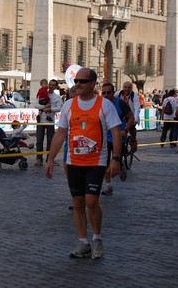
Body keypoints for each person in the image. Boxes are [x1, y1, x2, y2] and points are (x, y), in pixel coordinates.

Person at [45, 68, 122, 259]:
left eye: (83, 81)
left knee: (91, 201)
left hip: (97, 161)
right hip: (74, 161)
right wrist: (50, 159)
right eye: (76, 81)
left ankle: (97, 239)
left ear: (93, 83)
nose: (78, 84)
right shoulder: (69, 105)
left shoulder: (105, 105)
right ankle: (83, 242)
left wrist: (116, 158)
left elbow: (116, 132)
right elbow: (60, 133)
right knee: (78, 202)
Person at [101, 83, 135, 195]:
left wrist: (125, 130)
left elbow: (131, 117)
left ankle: (121, 167)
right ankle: (108, 185)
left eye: (108, 92)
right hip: (105, 137)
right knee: (105, 163)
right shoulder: (100, 104)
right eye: (103, 93)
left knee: (116, 163)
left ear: (113, 92)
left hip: (118, 137)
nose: (106, 95)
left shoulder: (120, 103)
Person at [35, 79, 62, 166]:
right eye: (50, 84)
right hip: (41, 120)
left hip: (50, 121)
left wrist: (50, 109)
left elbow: (59, 108)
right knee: (39, 140)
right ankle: (39, 159)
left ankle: (49, 159)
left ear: (55, 87)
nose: (50, 86)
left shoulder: (57, 97)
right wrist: (45, 107)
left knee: (50, 141)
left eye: (53, 85)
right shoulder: (42, 92)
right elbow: (36, 105)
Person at [117, 81, 141, 153]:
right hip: (121, 116)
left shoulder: (134, 96)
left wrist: (135, 120)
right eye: (125, 87)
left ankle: (133, 140)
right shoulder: (118, 94)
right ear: (123, 87)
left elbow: (137, 108)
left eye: (129, 88)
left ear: (131, 89)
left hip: (131, 115)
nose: (127, 89)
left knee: (132, 129)